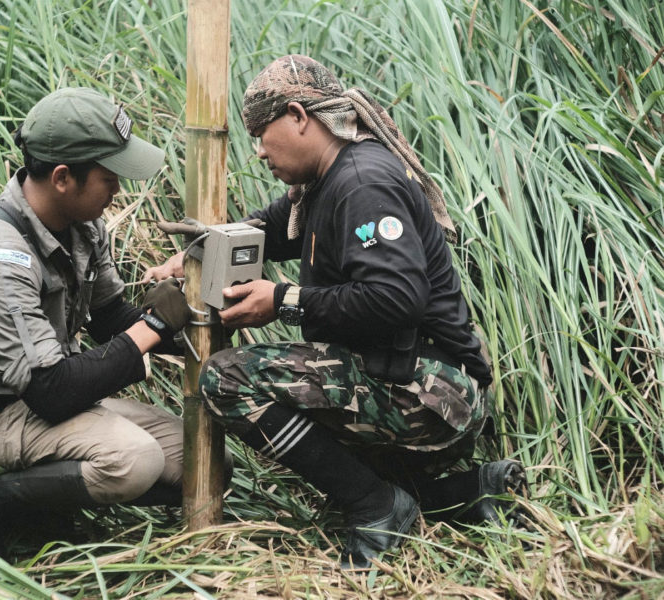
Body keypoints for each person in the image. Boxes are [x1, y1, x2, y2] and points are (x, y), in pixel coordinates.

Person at [144, 55, 526, 569]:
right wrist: (193, 256)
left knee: (227, 380)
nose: (258, 151)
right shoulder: (322, 185)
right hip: (408, 378)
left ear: (299, 116)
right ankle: (473, 491)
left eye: (262, 133)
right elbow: (266, 229)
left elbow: (397, 298)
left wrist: (281, 300)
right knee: (336, 495)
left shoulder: (362, 184)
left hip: (433, 392)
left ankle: (377, 507)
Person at [0, 87, 213, 552]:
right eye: (109, 176)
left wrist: (193, 316)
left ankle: (46, 503)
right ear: (63, 178)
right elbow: (52, 391)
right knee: (136, 460)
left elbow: (108, 320)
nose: (119, 189)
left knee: (196, 456)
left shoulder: (84, 225)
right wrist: (155, 326)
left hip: (49, 400)